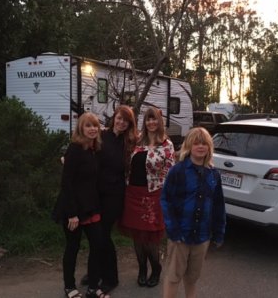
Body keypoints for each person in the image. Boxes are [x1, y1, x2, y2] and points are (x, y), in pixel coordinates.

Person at [160, 127, 226, 298]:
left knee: (192, 278)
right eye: (196, 143)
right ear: (189, 145)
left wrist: (219, 232)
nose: (200, 146)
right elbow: (165, 200)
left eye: (204, 143)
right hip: (180, 235)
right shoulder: (178, 171)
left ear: (209, 147)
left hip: (202, 237)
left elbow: (218, 205)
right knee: (174, 277)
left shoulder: (213, 175)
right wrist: (173, 229)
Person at [80, 105, 139, 293]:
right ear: (114, 118)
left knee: (103, 235)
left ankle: (111, 277)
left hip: (114, 195)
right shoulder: (101, 136)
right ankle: (94, 272)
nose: (121, 123)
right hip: (96, 193)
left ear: (130, 124)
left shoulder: (129, 143)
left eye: (126, 121)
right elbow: (84, 149)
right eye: (119, 118)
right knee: (95, 235)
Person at [52, 112, 110, 298]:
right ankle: (69, 287)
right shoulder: (75, 149)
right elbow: (66, 183)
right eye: (88, 126)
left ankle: (93, 287)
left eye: (95, 126)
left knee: (97, 245)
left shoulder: (94, 148)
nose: (93, 129)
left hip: (91, 207)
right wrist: (72, 214)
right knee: (73, 248)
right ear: (80, 128)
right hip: (74, 209)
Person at [119, 106, 175, 288]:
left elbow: (170, 171)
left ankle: (156, 268)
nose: (151, 122)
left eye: (154, 119)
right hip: (133, 193)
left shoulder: (166, 144)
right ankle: (142, 268)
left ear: (160, 121)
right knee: (137, 236)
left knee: (150, 237)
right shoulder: (137, 141)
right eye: (148, 119)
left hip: (153, 195)